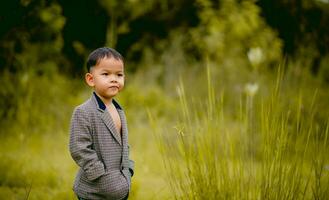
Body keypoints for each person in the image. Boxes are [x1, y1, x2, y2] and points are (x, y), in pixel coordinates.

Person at [69, 47, 134, 200]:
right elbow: (78, 148)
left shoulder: (119, 110)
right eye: (106, 74)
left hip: (120, 185)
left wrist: (129, 169)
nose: (114, 79)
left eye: (119, 74)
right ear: (91, 79)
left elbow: (123, 144)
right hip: (95, 191)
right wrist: (101, 174)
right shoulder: (84, 111)